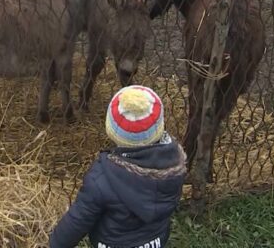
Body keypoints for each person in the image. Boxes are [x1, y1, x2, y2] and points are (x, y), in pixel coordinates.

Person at [49, 85, 187, 248]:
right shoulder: (174, 163)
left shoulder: (101, 178)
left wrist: (56, 243)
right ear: (159, 127)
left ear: (112, 130)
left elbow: (78, 220)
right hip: (156, 240)